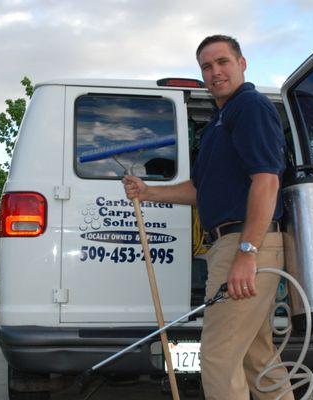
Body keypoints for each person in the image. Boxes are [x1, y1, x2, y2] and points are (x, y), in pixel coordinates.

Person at [122, 34, 293, 400]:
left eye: (222, 62)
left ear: (242, 63)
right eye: (206, 66)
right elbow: (201, 191)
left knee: (217, 358)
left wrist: (247, 252)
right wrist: (149, 192)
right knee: (256, 356)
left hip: (246, 244)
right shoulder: (221, 121)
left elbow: (266, 181)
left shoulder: (250, 107)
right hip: (236, 244)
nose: (215, 72)